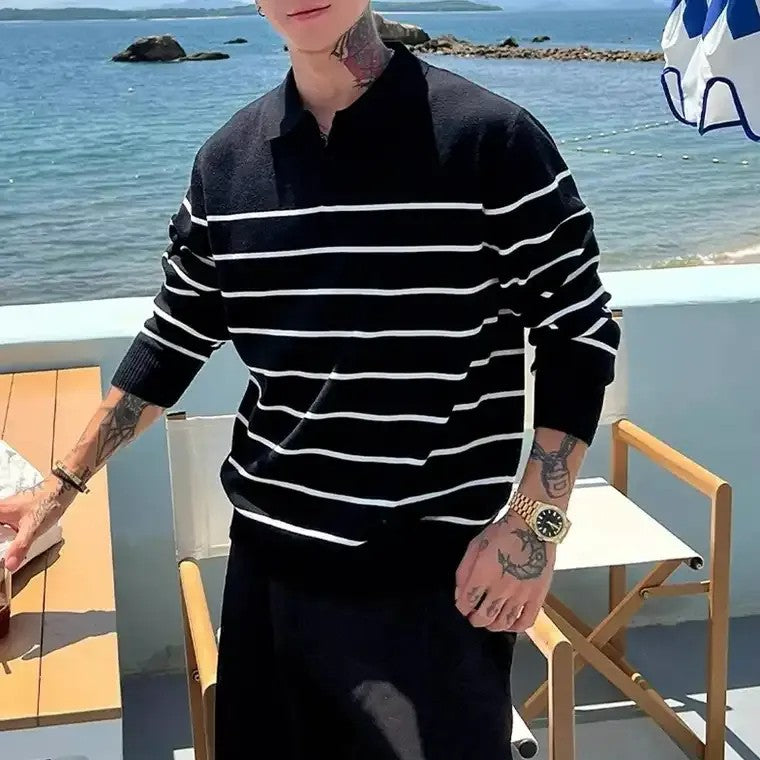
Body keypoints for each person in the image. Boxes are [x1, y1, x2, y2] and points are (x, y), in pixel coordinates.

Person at [0, 3, 620, 758]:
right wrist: (57, 489)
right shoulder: (227, 163)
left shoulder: (491, 139)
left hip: (433, 581)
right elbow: (174, 340)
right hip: (271, 573)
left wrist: (533, 527)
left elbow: (578, 334)